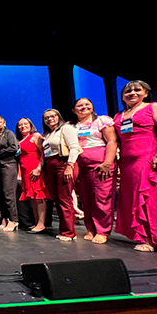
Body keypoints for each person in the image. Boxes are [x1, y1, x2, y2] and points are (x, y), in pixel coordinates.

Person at [114, 80, 157, 252]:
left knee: (153, 200)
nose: (132, 93)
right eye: (128, 91)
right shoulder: (119, 115)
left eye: (137, 90)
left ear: (146, 93)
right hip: (128, 163)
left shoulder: (153, 107)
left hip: (150, 159)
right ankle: (145, 237)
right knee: (135, 201)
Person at [70, 98, 117, 244]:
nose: (83, 107)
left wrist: (107, 162)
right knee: (86, 198)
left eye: (87, 104)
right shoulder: (72, 126)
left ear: (92, 106)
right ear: (74, 110)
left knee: (101, 197)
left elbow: (111, 141)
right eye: (79, 105)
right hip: (80, 165)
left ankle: (102, 231)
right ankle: (91, 228)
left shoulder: (101, 121)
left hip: (100, 163)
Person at [42, 109, 82, 241]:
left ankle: (69, 232)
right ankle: (64, 229)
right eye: (46, 118)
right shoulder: (49, 134)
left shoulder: (66, 128)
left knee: (65, 199)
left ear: (58, 117)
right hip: (51, 165)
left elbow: (74, 148)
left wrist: (69, 166)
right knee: (57, 200)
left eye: (52, 116)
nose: (50, 119)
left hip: (63, 164)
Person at [16, 117, 50, 234]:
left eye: (25, 124)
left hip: (34, 169)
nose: (22, 126)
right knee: (32, 199)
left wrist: (39, 169)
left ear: (30, 125)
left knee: (39, 197)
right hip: (25, 172)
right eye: (20, 125)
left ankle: (41, 224)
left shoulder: (36, 136)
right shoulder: (20, 140)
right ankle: (36, 223)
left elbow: (43, 153)